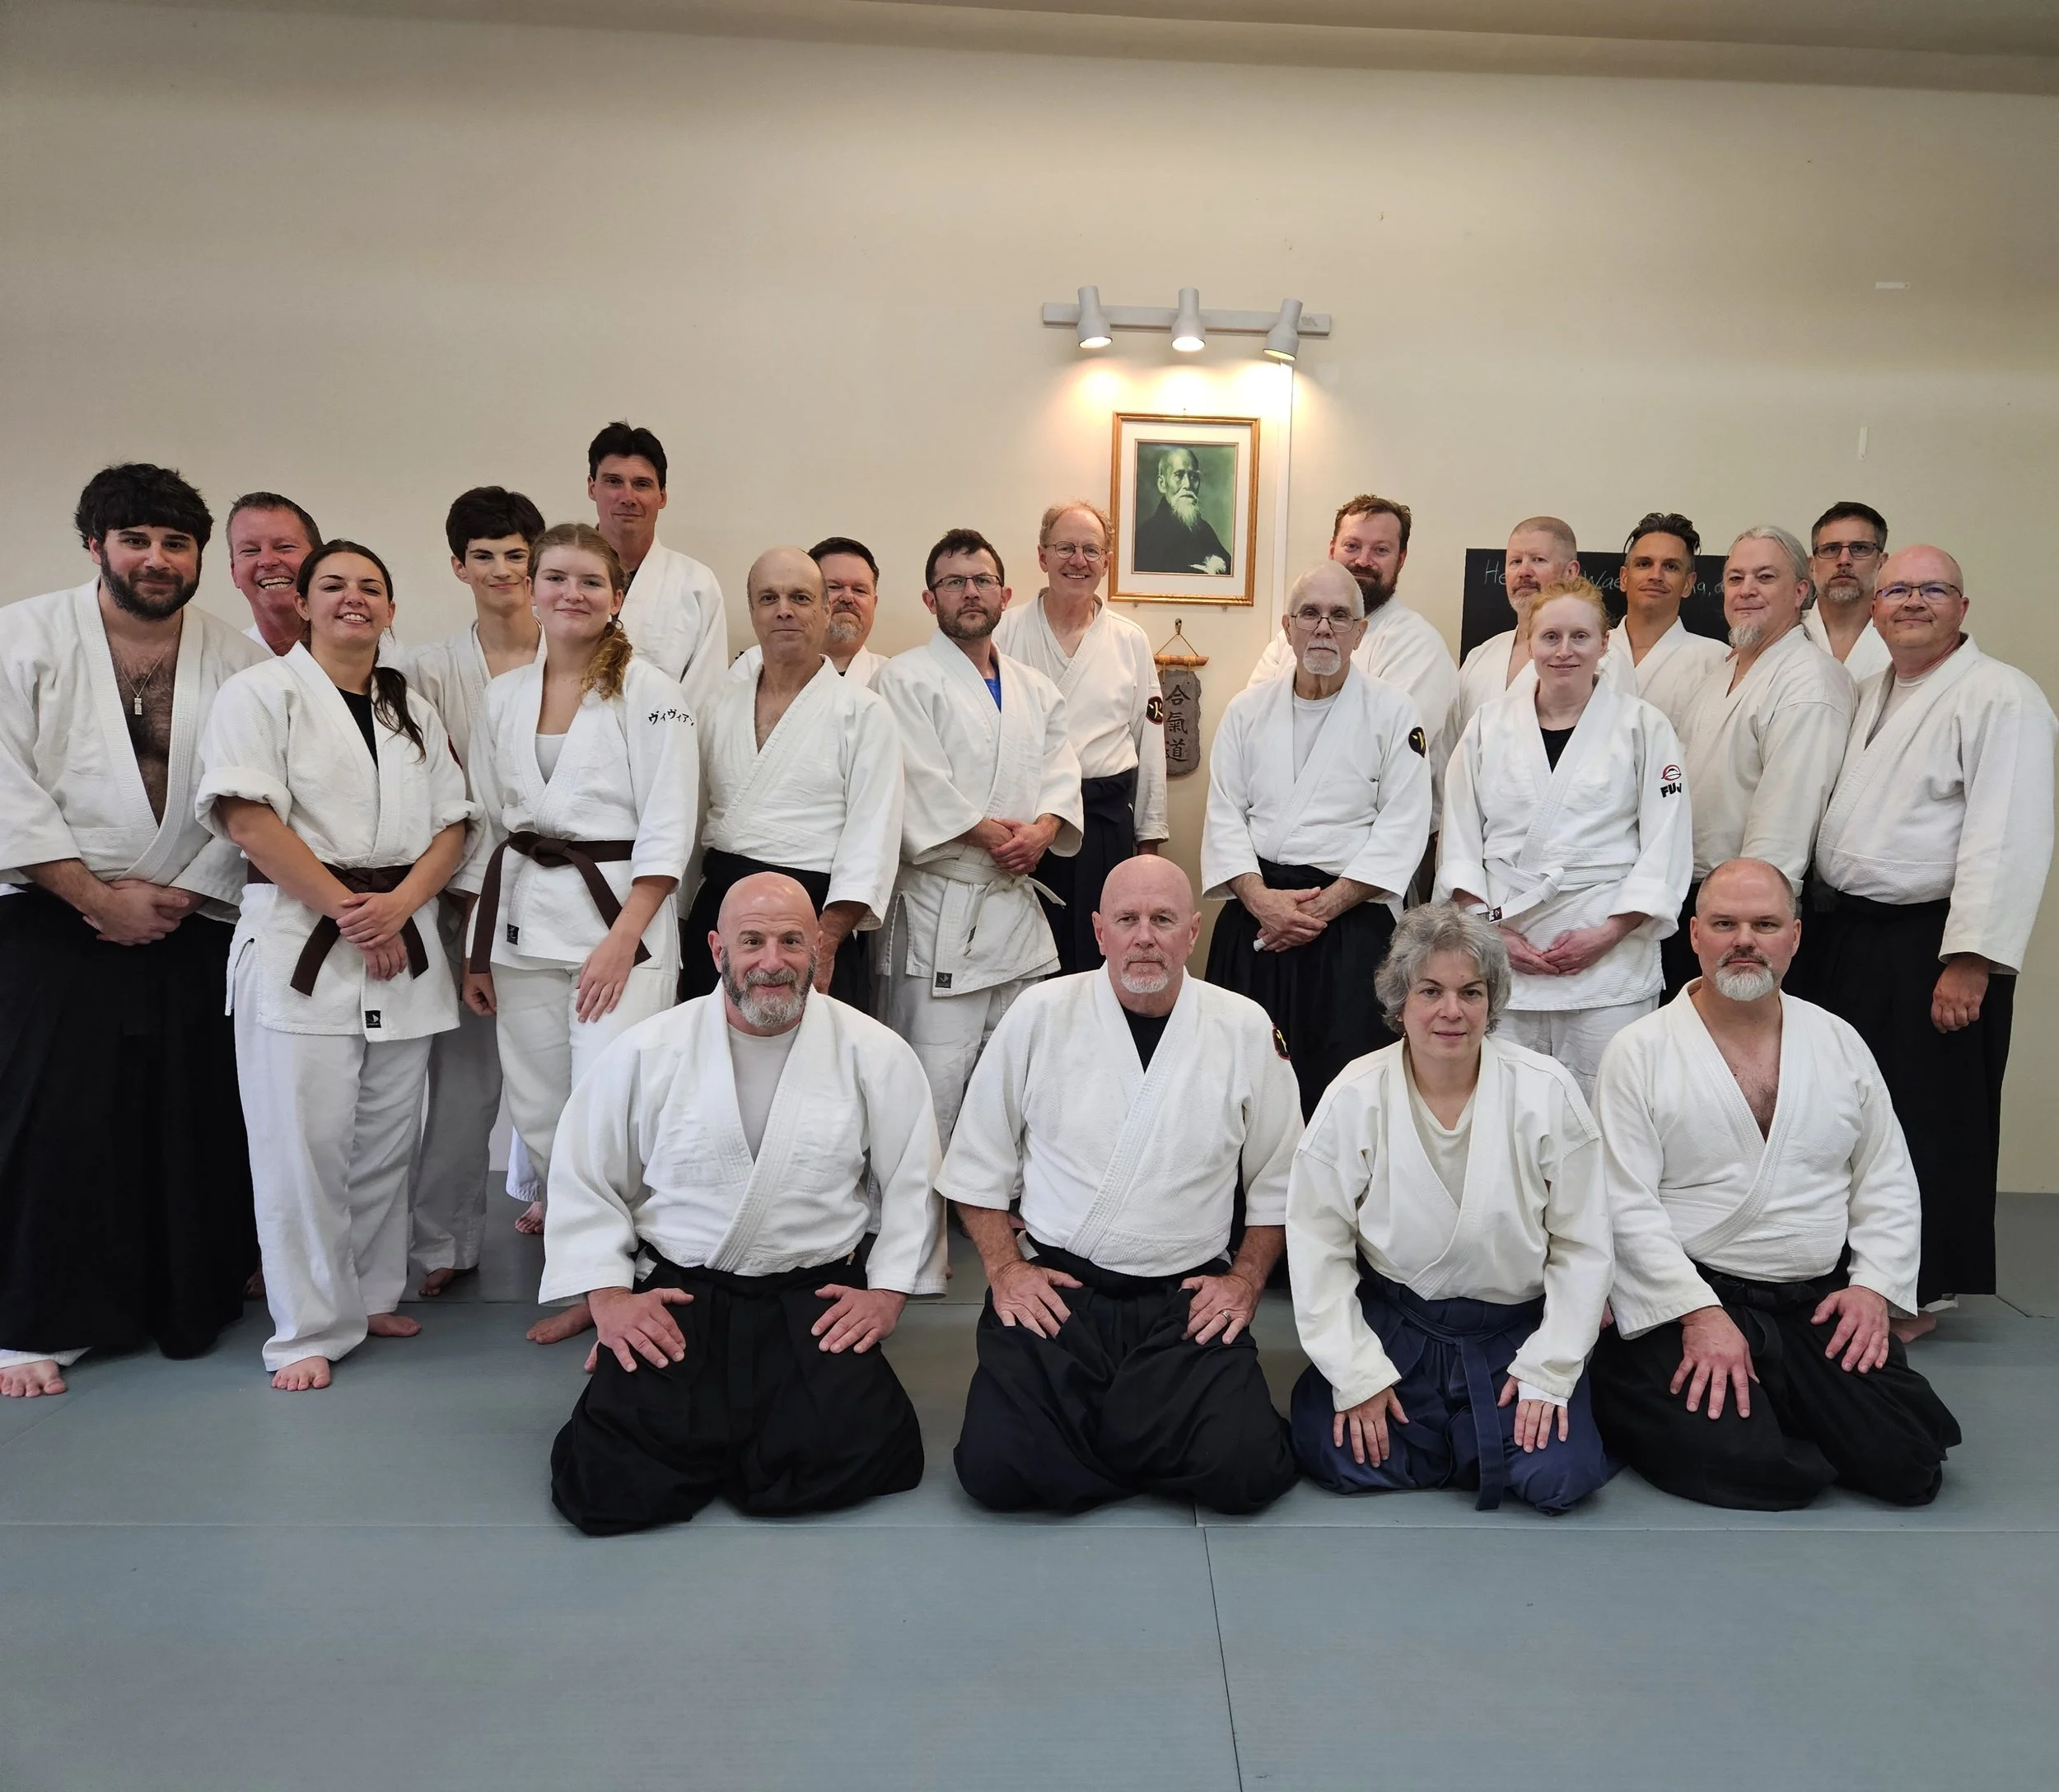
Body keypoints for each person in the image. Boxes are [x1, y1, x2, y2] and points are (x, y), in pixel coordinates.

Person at [544, 873, 942, 1535]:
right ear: (716, 949)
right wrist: (609, 1299)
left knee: (854, 1461)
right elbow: (586, 1175)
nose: (772, 961)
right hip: (682, 1299)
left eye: (791, 941)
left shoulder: (874, 1051)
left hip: (812, 1301)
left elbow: (913, 1182)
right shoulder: (647, 1050)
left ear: (818, 946)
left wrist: (886, 1293)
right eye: (751, 940)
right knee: (607, 1490)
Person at [0, 464, 267, 1399]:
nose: (157, 560)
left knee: (187, 1115)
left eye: (176, 543)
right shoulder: (23, 636)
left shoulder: (237, 660)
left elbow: (254, 797)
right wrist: (91, 895)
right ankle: (36, 1316)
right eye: (137, 540)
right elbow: (6, 786)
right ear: (95, 546)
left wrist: (182, 895)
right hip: (50, 912)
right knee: (52, 1119)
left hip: (185, 915)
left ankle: (180, 1300)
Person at [1590, 858, 1961, 1509]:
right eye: (1725, 923)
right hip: (1691, 1299)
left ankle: (1780, 1395)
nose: (1745, 941)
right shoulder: (1639, 1050)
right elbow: (1624, 1201)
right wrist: (1700, 1314)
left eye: (1764, 924)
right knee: (1755, 1470)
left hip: (1811, 1302)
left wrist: (1873, 1289)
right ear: (1695, 935)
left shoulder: (1839, 1042)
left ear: (1794, 936)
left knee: (1909, 1462)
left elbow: (1886, 1177)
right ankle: (1647, 1384)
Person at [944, 856, 1303, 1514]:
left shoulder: (1244, 1026)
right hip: (1059, 1295)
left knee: (1244, 1470)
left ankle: (1098, 1438)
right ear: (1098, 931)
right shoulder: (1039, 1014)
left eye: (1163, 920)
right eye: (1127, 920)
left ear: (1192, 932)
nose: (1145, 937)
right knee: (997, 1471)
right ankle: (1140, 1439)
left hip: (1184, 1302)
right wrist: (1003, 1269)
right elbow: (976, 1166)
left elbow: (1282, 1181)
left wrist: (1245, 1282)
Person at [199, 540, 474, 1390]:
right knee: (301, 1145)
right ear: (302, 603)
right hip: (302, 939)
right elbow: (248, 818)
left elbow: (454, 826)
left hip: (401, 933)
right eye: (334, 586)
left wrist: (396, 906)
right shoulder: (261, 694)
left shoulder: (410, 708)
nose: (354, 599)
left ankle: (368, 1292)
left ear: (391, 611)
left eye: (371, 588)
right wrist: (352, 912)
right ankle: (306, 1328)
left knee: (387, 1136)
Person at [1286, 903, 1617, 1514]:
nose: (1451, 1011)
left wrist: (1550, 1369)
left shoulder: (1546, 1090)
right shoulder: (1355, 1095)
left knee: (1559, 1479)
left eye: (1471, 992)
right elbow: (1317, 1246)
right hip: (1399, 1332)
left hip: (1513, 1338)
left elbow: (1582, 1245)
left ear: (1492, 1002)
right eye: (1430, 991)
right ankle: (1457, 1440)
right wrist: (1359, 1374)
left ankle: (1465, 1438)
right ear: (1399, 1002)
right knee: (1333, 1450)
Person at [1804, 546, 2055, 1332]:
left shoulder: (2001, 696)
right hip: (1853, 931)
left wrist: (1970, 959)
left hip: (1936, 939)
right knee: (1857, 1110)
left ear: (1963, 606)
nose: (1912, 602)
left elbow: (2007, 836)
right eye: (1899, 590)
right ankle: (1859, 1268)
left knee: (1929, 1115)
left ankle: (1922, 1286)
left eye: (1932, 589)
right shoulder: (1872, 688)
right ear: (1875, 607)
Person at [460, 522, 698, 1345]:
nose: (571, 593)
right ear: (530, 591)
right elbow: (488, 825)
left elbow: (671, 827)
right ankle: (589, 1282)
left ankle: (636, 1285)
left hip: (619, 923)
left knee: (615, 1110)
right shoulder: (501, 697)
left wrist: (622, 939)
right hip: (524, 927)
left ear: (617, 596)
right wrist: (476, 947)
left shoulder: (651, 690)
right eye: (554, 577)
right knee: (543, 1113)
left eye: (590, 581)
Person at [1438, 580, 1692, 1099]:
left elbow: (1666, 841)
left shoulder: (1645, 726)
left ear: (1605, 645)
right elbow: (1460, 844)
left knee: (1611, 1107)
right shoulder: (1487, 726)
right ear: (1529, 643)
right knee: (1509, 1106)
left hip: (1609, 959)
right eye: (1550, 637)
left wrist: (1610, 932)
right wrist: (1494, 937)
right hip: (1507, 950)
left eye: (1580, 636)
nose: (1564, 651)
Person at [872, 528, 1083, 1136]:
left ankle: (999, 1216)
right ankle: (917, 1227)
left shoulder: (1036, 690)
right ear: (929, 597)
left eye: (982, 581)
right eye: (954, 582)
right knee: (933, 1084)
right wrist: (998, 838)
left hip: (1013, 910)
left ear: (1005, 593)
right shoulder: (904, 680)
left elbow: (1060, 775)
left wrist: (1043, 831)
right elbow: (919, 782)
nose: (970, 592)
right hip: (942, 907)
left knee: (1016, 1080)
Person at [1202, 562, 1431, 1116]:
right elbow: (1224, 815)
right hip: (1259, 921)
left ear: (1361, 632)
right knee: (1246, 1083)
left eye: (1339, 616)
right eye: (1310, 613)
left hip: (1351, 923)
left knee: (1347, 1089)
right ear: (1288, 627)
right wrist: (1262, 903)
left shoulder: (1395, 712)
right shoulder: (1246, 711)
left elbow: (1403, 827)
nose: (1324, 628)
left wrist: (1320, 909)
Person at [403, 486, 546, 1295]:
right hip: (463, 898)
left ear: (537, 562)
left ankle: (585, 1234)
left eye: (514, 555)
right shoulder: (425, 670)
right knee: (462, 1087)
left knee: (575, 1080)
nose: (500, 570)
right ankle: (442, 1244)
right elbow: (420, 788)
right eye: (482, 555)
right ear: (458, 565)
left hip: (567, 896)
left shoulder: (588, 655)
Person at [684, 547, 902, 1007]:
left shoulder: (864, 713)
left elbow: (872, 836)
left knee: (817, 1066)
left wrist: (826, 941)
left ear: (825, 611)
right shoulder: (716, 707)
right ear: (753, 612)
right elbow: (688, 818)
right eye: (769, 598)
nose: (784, 610)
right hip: (723, 910)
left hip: (813, 918)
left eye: (800, 598)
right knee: (710, 1062)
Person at [1663, 525, 1853, 994]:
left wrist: (1750, 928)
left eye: (1765, 577)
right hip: (1696, 900)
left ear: (1801, 591)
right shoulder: (1725, 670)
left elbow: (1785, 825)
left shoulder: (1807, 682)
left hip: (1744, 916)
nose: (1746, 590)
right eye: (1735, 578)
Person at [994, 501, 1169, 973]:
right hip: (1025, 827)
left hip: (1104, 823)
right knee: (1025, 962)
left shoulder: (1129, 640)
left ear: (1107, 561)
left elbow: (1148, 747)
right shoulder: (1005, 632)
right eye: (1065, 547)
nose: (1078, 560)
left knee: (1098, 960)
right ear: (1042, 555)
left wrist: (1147, 847)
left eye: (1091, 550)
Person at [1244, 495, 1460, 824]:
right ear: (1332, 550)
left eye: (1381, 550)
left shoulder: (1419, 645)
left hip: (1373, 834)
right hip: (1274, 824)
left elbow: (1389, 759)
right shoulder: (1292, 636)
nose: (1363, 560)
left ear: (1401, 559)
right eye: (1352, 546)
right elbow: (1252, 727)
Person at [586, 420, 728, 726]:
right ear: (591, 487)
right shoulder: (557, 577)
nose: (628, 496)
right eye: (613, 481)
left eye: (642, 484)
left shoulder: (696, 586)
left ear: (662, 496)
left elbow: (703, 701)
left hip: (659, 758)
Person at [1454, 517, 1632, 732]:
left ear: (1571, 572)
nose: (1524, 572)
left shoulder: (1606, 659)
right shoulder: (1480, 657)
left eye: (1538, 560)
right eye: (1515, 562)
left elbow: (1617, 741)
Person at [1615, 511, 1727, 733]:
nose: (1656, 575)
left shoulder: (1717, 661)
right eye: (1644, 564)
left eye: (1671, 567)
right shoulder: (1587, 650)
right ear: (1624, 578)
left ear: (1688, 584)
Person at [729, 536, 887, 689]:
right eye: (834, 587)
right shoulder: (752, 664)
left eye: (859, 590)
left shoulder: (891, 677)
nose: (847, 597)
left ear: (874, 603)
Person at [1802, 502, 1893, 684]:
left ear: (1881, 564)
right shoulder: (1785, 634)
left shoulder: (1902, 637)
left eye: (1859, 548)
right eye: (1831, 549)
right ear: (1812, 566)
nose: (1844, 560)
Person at [225, 491, 322, 656]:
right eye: (250, 550)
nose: (267, 561)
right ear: (234, 572)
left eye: (284, 547)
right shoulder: (224, 665)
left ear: (320, 561)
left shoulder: (374, 652)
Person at [1132, 446, 1232, 575]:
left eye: (1193, 477)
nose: (1188, 485)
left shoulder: (1205, 530)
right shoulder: (1145, 536)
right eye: (1179, 475)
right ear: (1162, 484)